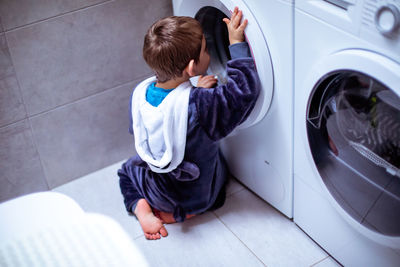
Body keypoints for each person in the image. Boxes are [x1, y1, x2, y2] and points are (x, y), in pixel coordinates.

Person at [118, 7, 260, 240]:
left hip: (158, 191)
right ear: (193, 68)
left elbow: (149, 127)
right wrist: (236, 43)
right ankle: (185, 213)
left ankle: (141, 207)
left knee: (127, 170)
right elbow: (243, 93)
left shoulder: (140, 94)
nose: (210, 52)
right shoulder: (202, 104)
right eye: (206, 49)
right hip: (199, 196)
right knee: (219, 164)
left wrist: (194, 91)